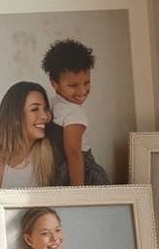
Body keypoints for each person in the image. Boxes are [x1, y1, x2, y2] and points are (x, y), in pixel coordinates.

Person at [41, 38, 110, 186]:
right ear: (55, 84)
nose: (82, 91)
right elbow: (72, 153)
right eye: (73, 85)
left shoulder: (74, 113)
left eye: (87, 82)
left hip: (81, 173)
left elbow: (74, 153)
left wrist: (78, 193)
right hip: (71, 170)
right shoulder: (58, 105)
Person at [0, 82, 56, 189]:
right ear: (16, 117)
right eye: (34, 109)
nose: (45, 116)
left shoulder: (51, 155)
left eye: (45, 109)